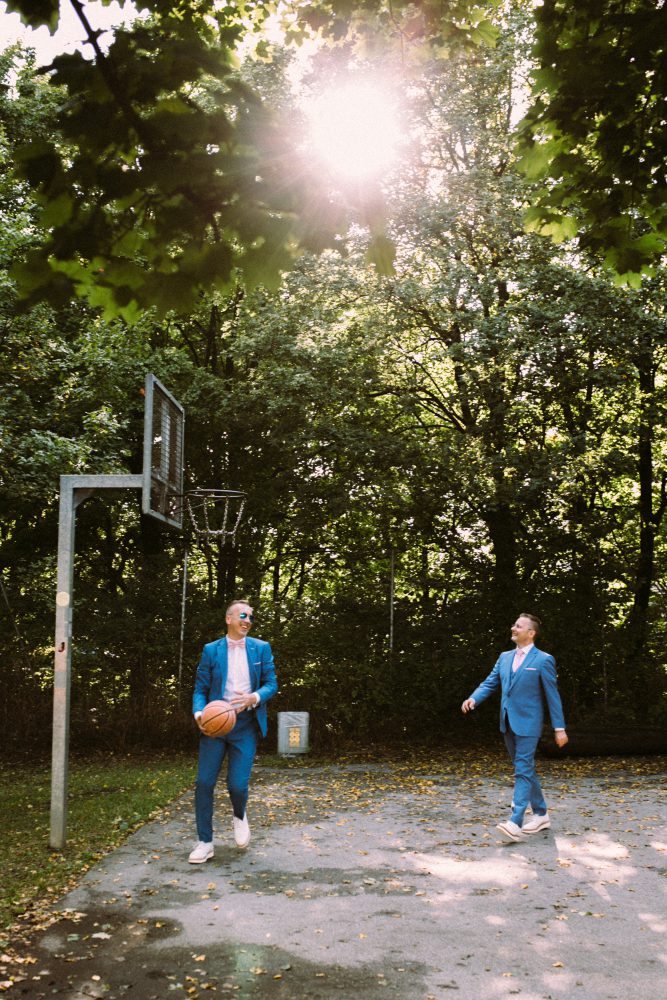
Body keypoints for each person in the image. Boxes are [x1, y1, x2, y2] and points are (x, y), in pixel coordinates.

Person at [461, 613, 568, 843]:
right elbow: (490, 682)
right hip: (507, 720)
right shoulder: (505, 657)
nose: (513, 628)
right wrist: (474, 698)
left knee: (522, 768)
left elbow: (553, 696)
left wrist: (559, 728)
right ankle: (541, 814)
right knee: (525, 768)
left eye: (519, 626)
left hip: (529, 723)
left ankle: (515, 821)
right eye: (513, 625)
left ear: (531, 633)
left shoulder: (543, 660)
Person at [189, 600, 278, 863]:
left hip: (245, 726)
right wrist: (199, 714)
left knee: (237, 785)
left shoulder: (261, 648)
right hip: (214, 725)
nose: (247, 620)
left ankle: (239, 815)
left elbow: (271, 684)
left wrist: (254, 697)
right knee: (204, 783)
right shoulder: (211, 650)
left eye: (250, 616)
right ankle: (205, 842)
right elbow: (200, 688)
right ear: (229, 619)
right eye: (242, 615)